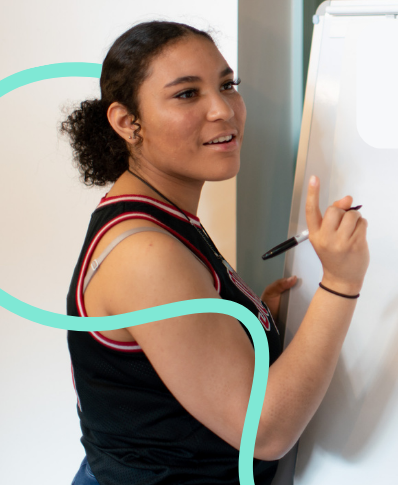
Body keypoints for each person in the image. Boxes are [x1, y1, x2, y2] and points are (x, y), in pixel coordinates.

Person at [62, 21, 369, 485]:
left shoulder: (162, 215)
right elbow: (263, 432)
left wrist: (254, 320)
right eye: (187, 94)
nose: (223, 109)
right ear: (128, 122)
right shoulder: (145, 254)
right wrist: (341, 283)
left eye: (227, 85)